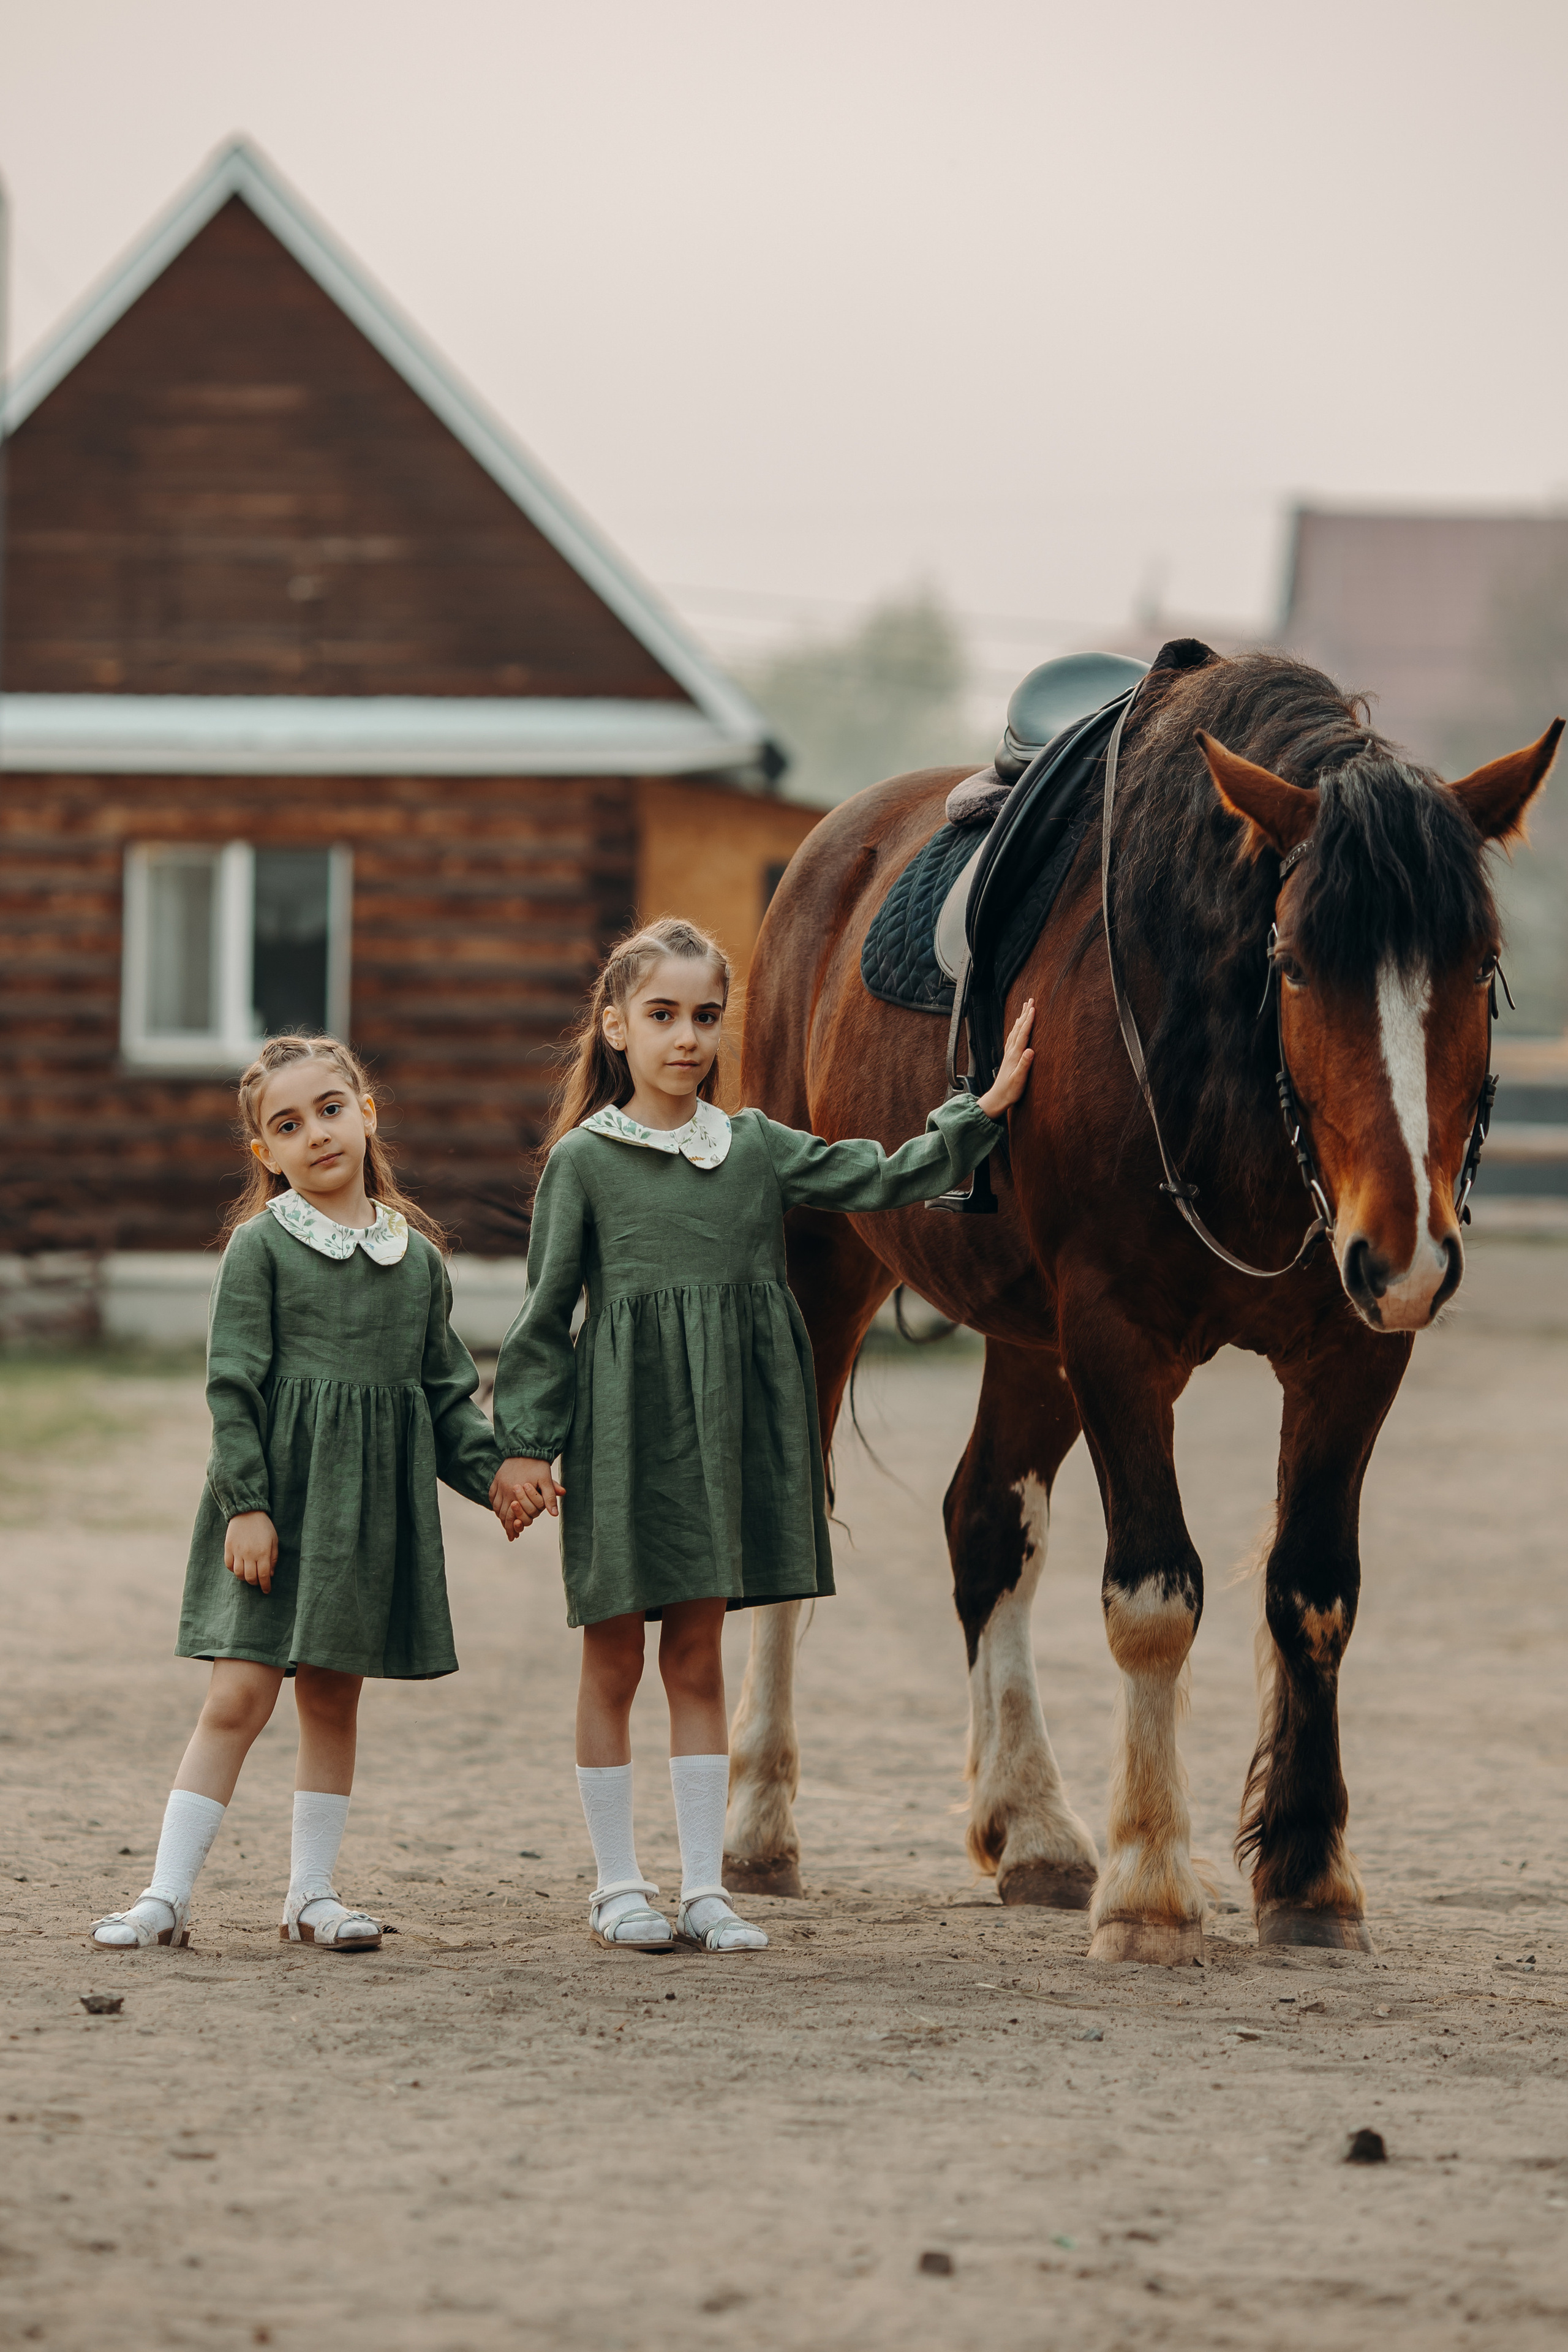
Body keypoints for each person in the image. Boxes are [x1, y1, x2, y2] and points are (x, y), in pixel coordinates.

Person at [488, 916, 1035, 1955]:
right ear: (615, 1029)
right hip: (621, 1437)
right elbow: (543, 1315)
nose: (686, 1038)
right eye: (661, 1016)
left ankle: (704, 1889)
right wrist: (522, 1445)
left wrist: (980, 1114)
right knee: (614, 1660)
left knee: (697, 1657)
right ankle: (617, 1886)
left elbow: (878, 1175)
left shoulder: (752, 1146)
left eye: (705, 1016)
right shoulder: (584, 1164)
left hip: (721, 1440)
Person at [91, 1035, 503, 1953]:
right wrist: (246, 1504)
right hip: (272, 1515)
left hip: (364, 1521)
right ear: (264, 1154)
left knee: (331, 1699)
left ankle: (311, 1897)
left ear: (366, 1110)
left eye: (329, 1108)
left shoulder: (417, 1259)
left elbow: (446, 1402)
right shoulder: (260, 1249)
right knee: (237, 1697)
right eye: (287, 1125)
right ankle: (165, 1895)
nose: (315, 1134)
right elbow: (232, 1387)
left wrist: (501, 1478)